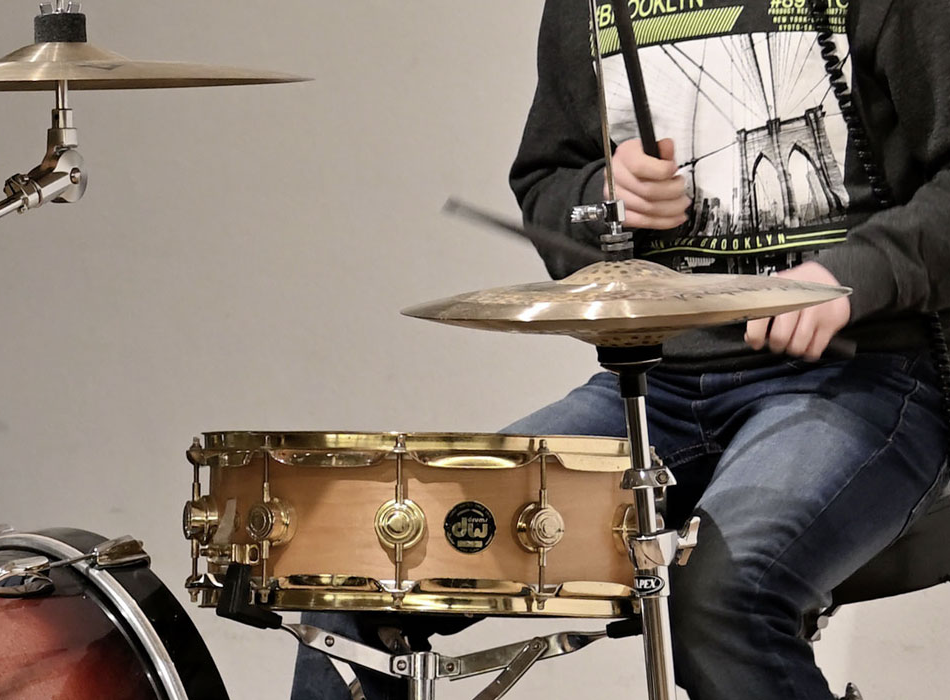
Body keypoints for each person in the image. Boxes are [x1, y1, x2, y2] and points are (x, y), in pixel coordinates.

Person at [293, 1, 950, 698]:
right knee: (367, 568)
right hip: (654, 384)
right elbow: (548, 183)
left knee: (723, 596)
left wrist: (850, 276)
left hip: (864, 378)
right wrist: (604, 194)